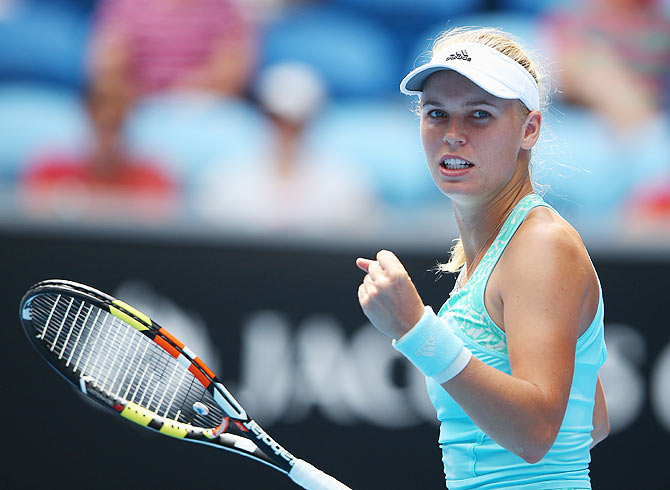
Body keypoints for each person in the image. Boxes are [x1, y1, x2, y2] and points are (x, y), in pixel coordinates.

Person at [355, 27, 609, 489]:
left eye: (479, 115)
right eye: (437, 114)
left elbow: (534, 436)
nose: (453, 135)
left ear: (528, 129)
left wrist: (416, 330)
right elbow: (591, 422)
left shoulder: (541, 246)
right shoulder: (496, 253)